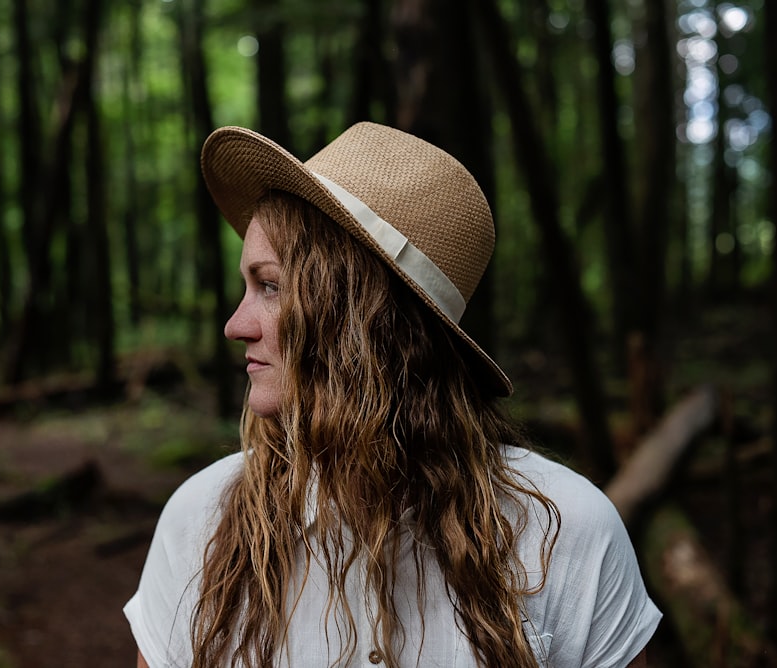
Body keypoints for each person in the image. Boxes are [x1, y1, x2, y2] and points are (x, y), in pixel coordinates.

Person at [124, 122, 661, 667]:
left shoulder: (562, 531)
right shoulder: (202, 523)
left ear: (364, 318)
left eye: (270, 286)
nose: (236, 326)